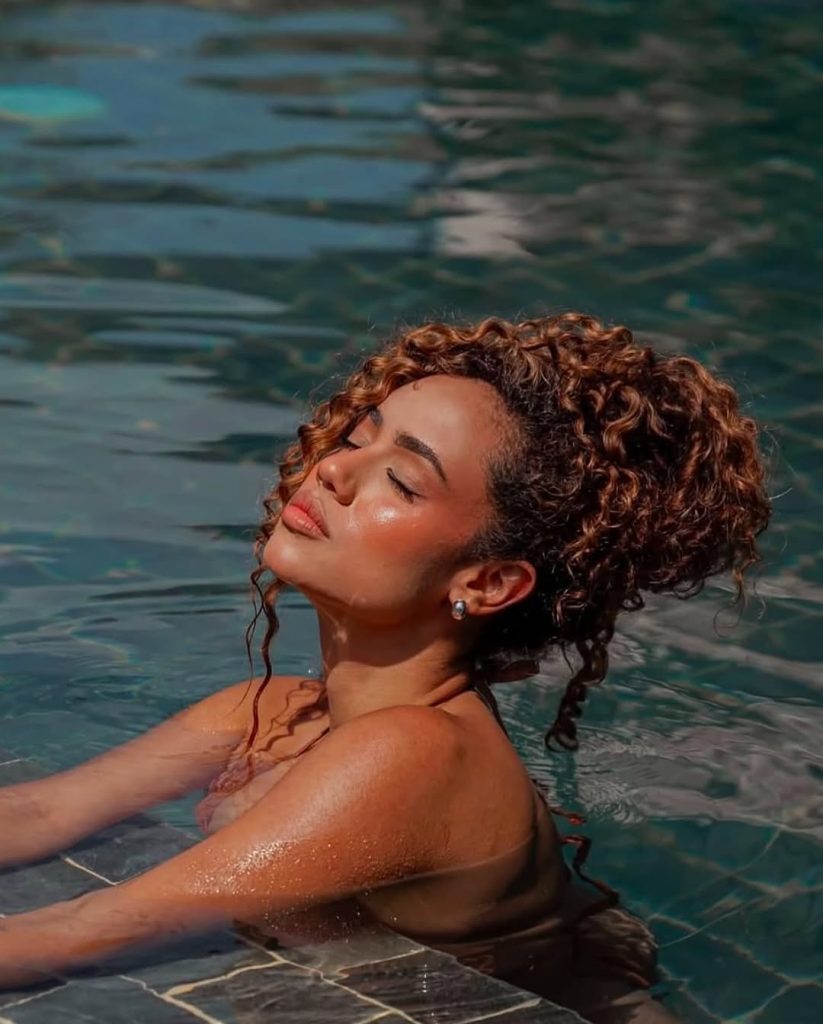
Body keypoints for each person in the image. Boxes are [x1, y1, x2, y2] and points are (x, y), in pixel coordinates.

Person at [0, 313, 770, 1021]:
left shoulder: (415, 753)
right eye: (357, 438)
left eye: (402, 481)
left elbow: (83, 933)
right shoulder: (267, 711)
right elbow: (38, 814)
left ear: (486, 583)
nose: (334, 469)